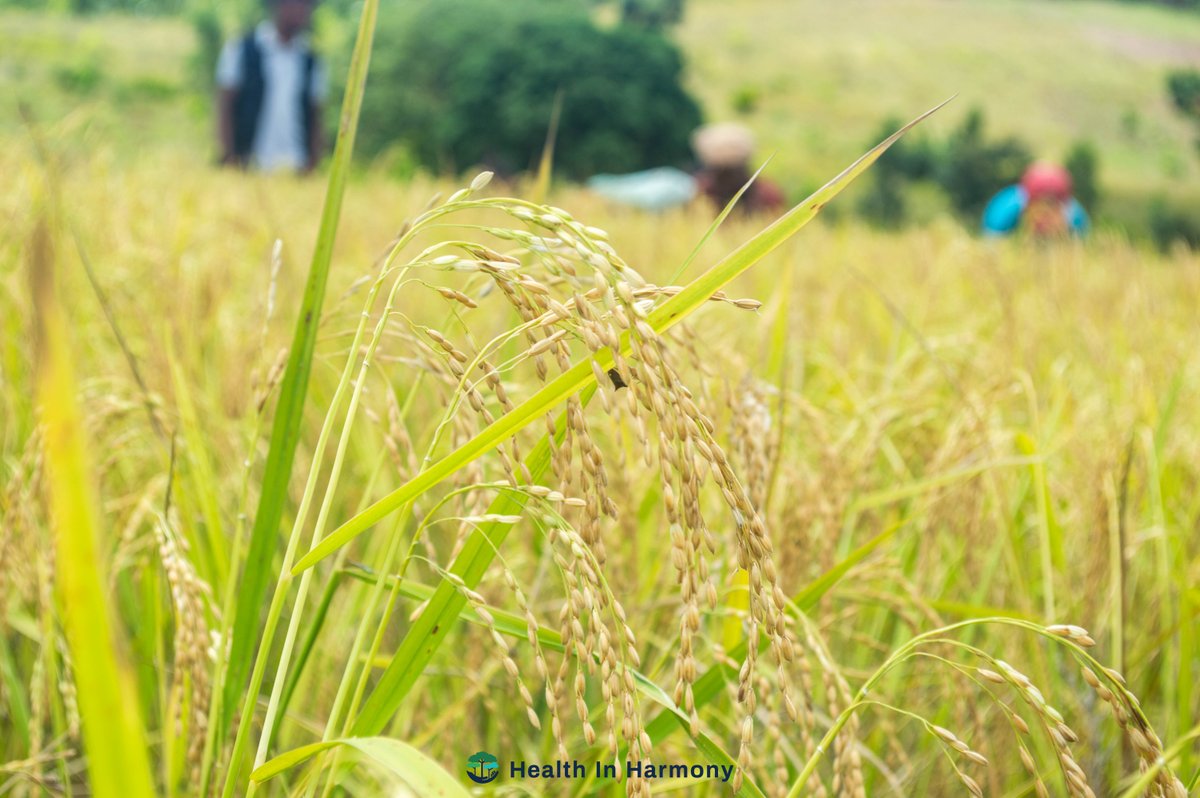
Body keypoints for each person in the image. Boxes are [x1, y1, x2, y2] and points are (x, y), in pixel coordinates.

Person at [215, 0, 327, 173]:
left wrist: (313, 162)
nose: (302, 11)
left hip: (296, 165)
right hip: (249, 163)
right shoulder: (242, 48)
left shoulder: (311, 60)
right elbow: (225, 107)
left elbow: (316, 115)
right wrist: (229, 155)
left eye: (307, 6)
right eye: (297, 4)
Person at [691, 122, 785, 215]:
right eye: (723, 172)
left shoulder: (767, 194)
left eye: (734, 170)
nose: (730, 179)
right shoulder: (701, 193)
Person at [981, 162, 1089, 238]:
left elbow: (1082, 242)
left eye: (1052, 205)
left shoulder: (1074, 215)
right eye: (1041, 205)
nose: (1046, 212)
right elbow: (992, 238)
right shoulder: (1007, 208)